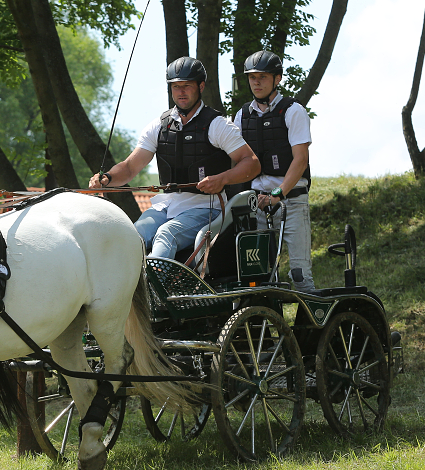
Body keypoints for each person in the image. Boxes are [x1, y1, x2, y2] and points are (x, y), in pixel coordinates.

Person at [89, 57, 260, 260]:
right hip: (166, 205)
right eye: (176, 86)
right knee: (133, 236)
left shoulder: (218, 125)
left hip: (206, 207)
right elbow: (129, 168)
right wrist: (107, 177)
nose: (181, 92)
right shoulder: (158, 127)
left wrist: (222, 179)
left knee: (166, 234)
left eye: (186, 86)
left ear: (201, 86)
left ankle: (153, 290)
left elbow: (252, 163)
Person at [234, 50, 315, 293]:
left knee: (300, 276)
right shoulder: (241, 116)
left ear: (277, 78)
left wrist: (278, 193)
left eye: (263, 77)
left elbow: (300, 160)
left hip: (292, 201)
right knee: (260, 278)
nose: (256, 82)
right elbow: (237, 162)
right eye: (252, 77)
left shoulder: (294, 111)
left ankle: (310, 329)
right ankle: (271, 328)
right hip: (257, 204)